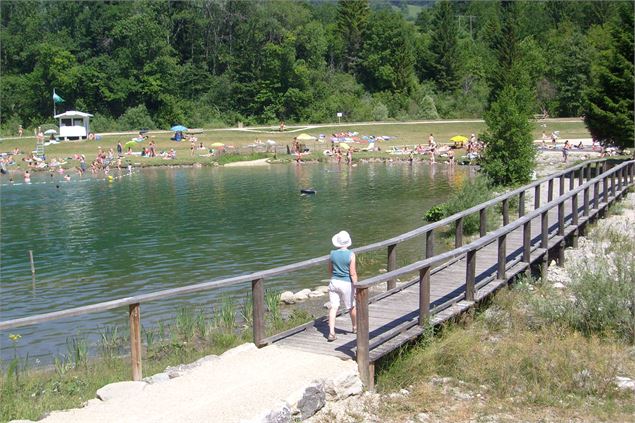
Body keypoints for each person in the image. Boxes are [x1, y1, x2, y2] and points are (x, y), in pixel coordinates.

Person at [327, 230, 357, 342]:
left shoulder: (332, 254)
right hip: (346, 283)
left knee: (333, 307)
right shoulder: (351, 254)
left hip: (334, 282)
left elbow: (329, 270)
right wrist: (356, 287)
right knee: (351, 306)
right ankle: (354, 327)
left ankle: (331, 332)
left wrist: (334, 276)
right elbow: (352, 273)